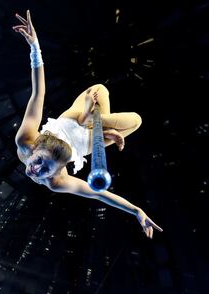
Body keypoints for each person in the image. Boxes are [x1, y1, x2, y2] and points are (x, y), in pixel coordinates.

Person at [12, 10, 163, 239]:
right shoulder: (56, 182)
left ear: (36, 147)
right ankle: (96, 123)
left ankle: (89, 119)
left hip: (70, 123)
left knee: (100, 89)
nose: (36, 170)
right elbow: (98, 194)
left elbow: (38, 94)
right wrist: (136, 210)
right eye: (44, 169)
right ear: (56, 171)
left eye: (40, 163)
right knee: (135, 121)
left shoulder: (25, 141)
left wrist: (35, 47)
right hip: (83, 144)